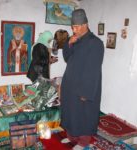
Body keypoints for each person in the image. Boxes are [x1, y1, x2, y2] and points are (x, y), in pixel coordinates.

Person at [60, 9, 104, 150]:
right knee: (70, 112)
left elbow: (93, 70)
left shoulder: (95, 43)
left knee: (83, 115)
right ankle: (72, 137)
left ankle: (84, 142)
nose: (74, 30)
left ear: (86, 24)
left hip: (84, 87)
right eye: (72, 27)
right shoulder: (74, 39)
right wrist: (69, 44)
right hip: (70, 84)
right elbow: (67, 58)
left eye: (77, 27)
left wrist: (86, 92)